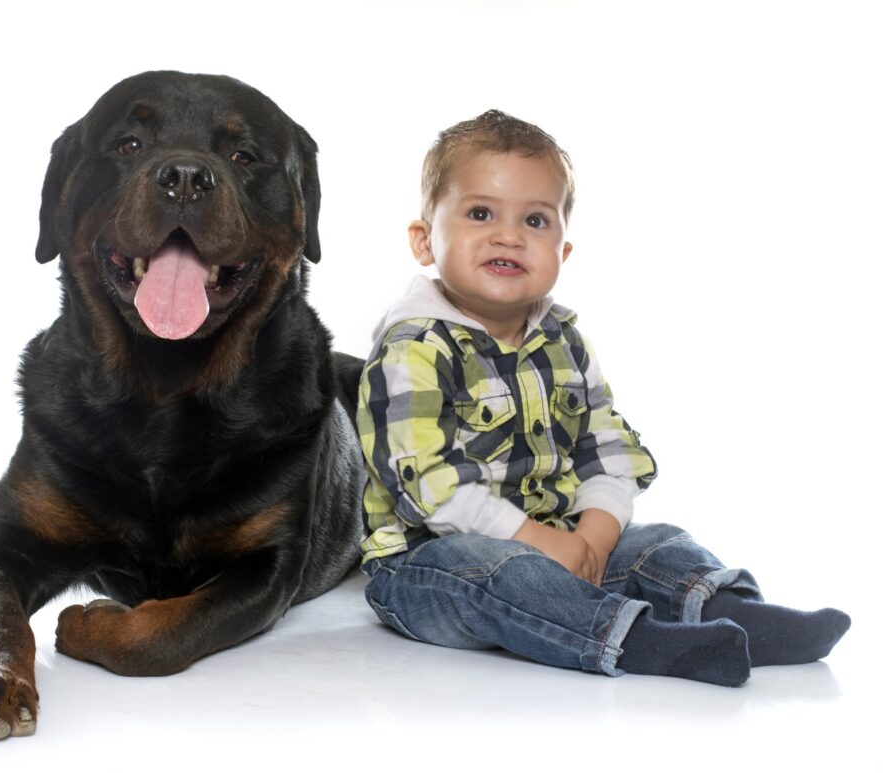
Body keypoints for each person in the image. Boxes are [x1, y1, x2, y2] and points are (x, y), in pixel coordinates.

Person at [356, 110, 850, 686]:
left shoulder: (562, 341)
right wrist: (540, 543)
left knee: (657, 543)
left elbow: (607, 447)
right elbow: (430, 490)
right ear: (424, 240)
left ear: (562, 253)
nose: (509, 235)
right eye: (480, 213)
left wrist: (594, 535)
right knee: (505, 575)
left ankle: (729, 613)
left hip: (560, 539)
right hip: (428, 565)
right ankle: (641, 643)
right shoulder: (412, 348)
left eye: (536, 220)